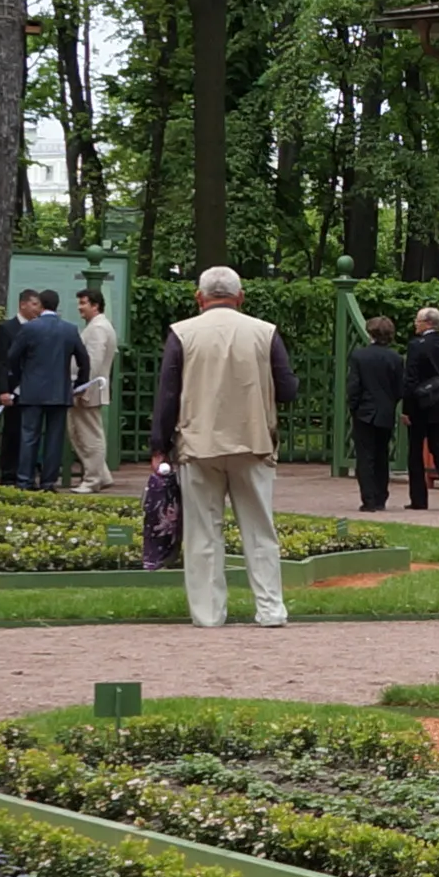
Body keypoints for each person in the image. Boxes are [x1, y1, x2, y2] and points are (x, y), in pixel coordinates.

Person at [151, 265, 300, 629]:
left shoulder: (181, 334)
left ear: (199, 298)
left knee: (203, 534)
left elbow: (168, 395)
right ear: (241, 296)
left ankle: (208, 614)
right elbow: (289, 390)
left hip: (198, 443)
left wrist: (159, 445)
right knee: (260, 531)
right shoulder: (265, 333)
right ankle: (270, 610)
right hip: (254, 441)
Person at [0, 286, 78, 486]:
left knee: (29, 436)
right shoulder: (70, 329)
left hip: (31, 391)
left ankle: (24, 480)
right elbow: (83, 359)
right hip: (59, 392)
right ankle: (48, 482)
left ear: (41, 305)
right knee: (54, 439)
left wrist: (22, 376)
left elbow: (11, 357)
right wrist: (78, 383)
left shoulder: (30, 328)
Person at [345, 310, 410, 511]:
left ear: (371, 333)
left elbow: (354, 386)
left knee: (365, 456)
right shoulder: (396, 358)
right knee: (382, 455)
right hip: (385, 412)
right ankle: (381, 497)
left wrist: (354, 406)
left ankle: (369, 499)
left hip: (364, 412)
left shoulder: (359, 356)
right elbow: (400, 389)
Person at [398, 304, 439, 508]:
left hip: (419, 407)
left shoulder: (417, 345)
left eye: (418, 320)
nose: (415, 324)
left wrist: (407, 409)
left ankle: (419, 500)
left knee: (415, 452)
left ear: (428, 323)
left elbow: (410, 379)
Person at [67, 285, 119, 486]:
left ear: (95, 305)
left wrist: (83, 389)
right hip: (89, 388)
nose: (79, 307)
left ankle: (92, 479)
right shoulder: (99, 326)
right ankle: (102, 476)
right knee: (82, 433)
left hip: (88, 389)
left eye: (83, 303)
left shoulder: (98, 328)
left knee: (89, 435)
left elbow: (93, 362)